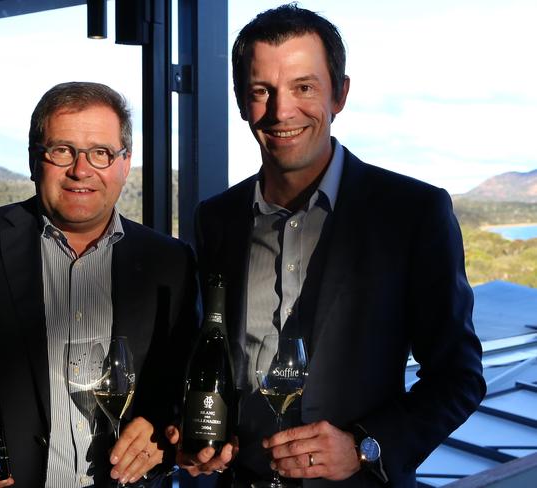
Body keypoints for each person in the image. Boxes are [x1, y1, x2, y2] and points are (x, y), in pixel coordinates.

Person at [173, 4, 486, 487]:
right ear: (240, 101)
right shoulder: (216, 218)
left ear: (339, 94)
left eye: (304, 87)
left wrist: (365, 446)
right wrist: (200, 437)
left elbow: (458, 377)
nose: (281, 111)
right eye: (262, 92)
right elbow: (210, 355)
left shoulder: (411, 212)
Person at [0, 81, 197, 488]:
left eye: (100, 153)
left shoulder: (171, 261)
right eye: (62, 150)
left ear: (125, 163)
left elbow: (185, 382)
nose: (81, 170)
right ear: (36, 161)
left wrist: (166, 428)